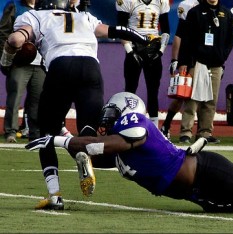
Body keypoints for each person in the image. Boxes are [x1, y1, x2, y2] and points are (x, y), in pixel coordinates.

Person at [26, 91, 233, 212]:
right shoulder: (118, 146)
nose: (106, 119)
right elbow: (94, 152)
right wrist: (68, 139)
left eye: (112, 112)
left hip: (206, 174)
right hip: (197, 192)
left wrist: (59, 141)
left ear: (126, 109)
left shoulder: (134, 125)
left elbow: (114, 144)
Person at [1, 0, 151, 209]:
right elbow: (116, 30)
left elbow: (16, 40)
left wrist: (6, 59)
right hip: (90, 69)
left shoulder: (34, 16)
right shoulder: (84, 16)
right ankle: (82, 151)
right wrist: (144, 38)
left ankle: (55, 196)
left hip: (61, 66)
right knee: (88, 131)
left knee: (47, 133)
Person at [177, 0, 233, 143]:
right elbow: (186, 40)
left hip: (216, 64)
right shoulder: (194, 12)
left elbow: (230, 38)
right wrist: (183, 62)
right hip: (197, 62)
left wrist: (223, 56)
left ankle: (205, 133)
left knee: (211, 100)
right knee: (192, 99)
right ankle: (186, 132)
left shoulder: (227, 14)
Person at [115, 0, 170, 128]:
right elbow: (121, 28)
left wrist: (161, 51)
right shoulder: (127, 1)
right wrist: (130, 51)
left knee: (153, 90)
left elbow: (166, 30)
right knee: (130, 89)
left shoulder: (161, 2)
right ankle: (127, 124)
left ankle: (154, 127)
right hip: (134, 46)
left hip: (154, 48)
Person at [0, 0, 46, 143]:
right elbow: (4, 32)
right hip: (19, 61)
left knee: (37, 99)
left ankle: (35, 133)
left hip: (40, 62)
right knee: (14, 97)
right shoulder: (14, 5)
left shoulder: (46, 7)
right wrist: (7, 56)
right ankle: (11, 131)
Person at [160, 0, 201, 140]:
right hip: (189, 57)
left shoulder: (217, 9)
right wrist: (176, 59)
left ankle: (203, 132)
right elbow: (179, 35)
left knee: (204, 98)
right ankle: (167, 125)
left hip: (206, 57)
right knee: (182, 95)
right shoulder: (188, 6)